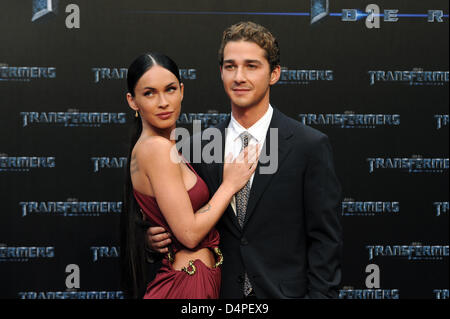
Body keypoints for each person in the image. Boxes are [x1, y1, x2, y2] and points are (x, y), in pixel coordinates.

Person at [148, 21, 343, 299]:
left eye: (251, 66)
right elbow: (181, 226)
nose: (239, 76)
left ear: (274, 73)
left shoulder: (308, 146)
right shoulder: (195, 148)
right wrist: (152, 242)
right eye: (230, 66)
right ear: (221, 72)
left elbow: (326, 240)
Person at [120, 52, 259, 299]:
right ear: (133, 101)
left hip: (192, 279)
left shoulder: (164, 147)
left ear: (182, 91)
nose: (163, 102)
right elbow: (190, 234)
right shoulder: (157, 149)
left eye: (170, 89)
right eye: (149, 93)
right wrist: (229, 185)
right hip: (189, 284)